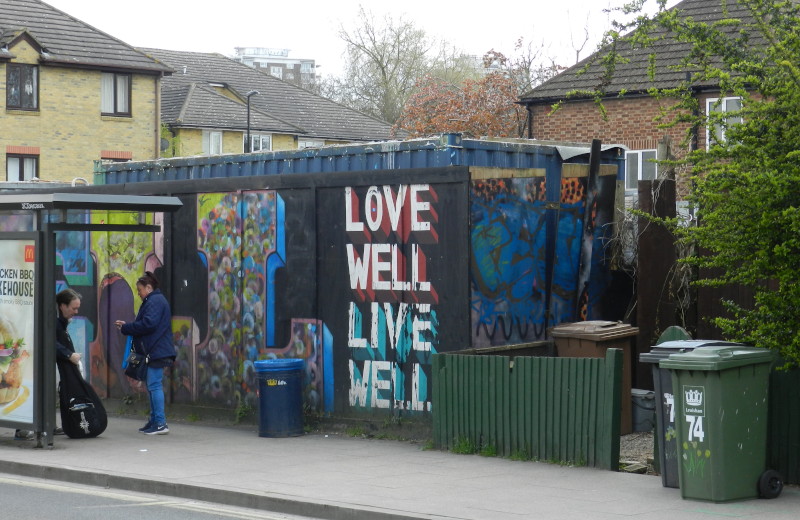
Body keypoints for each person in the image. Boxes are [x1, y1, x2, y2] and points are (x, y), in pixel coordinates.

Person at [13, 289, 80, 440]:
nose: (76, 311)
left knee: (47, 392)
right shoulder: (53, 320)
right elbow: (51, 341)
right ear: (62, 306)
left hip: (44, 362)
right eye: (74, 308)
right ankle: (21, 428)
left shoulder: (60, 320)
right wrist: (69, 354)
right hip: (31, 360)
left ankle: (47, 424)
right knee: (31, 391)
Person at [115, 271, 175, 435]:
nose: (139, 294)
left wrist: (127, 328)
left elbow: (148, 324)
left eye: (140, 290)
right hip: (156, 350)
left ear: (148, 287)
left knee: (154, 385)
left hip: (155, 351)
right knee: (152, 386)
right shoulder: (155, 300)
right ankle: (155, 421)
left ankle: (160, 423)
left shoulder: (154, 301)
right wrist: (129, 327)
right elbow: (147, 323)